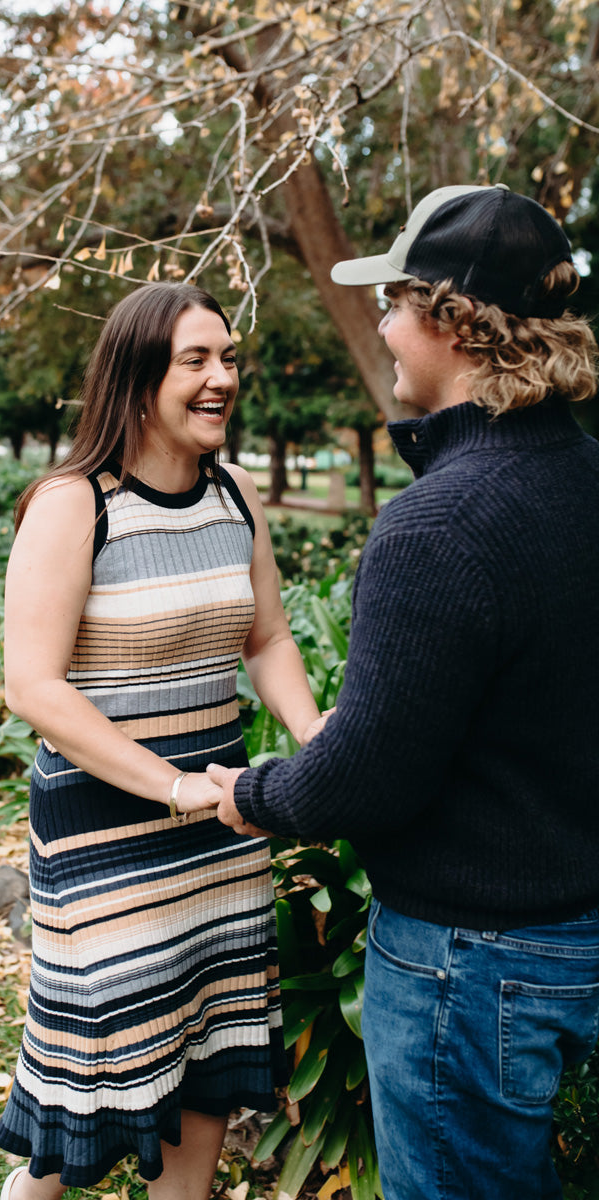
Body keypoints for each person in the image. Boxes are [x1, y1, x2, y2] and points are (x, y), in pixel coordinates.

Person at [207, 184, 599, 1199]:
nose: (380, 325)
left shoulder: (438, 527)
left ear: (448, 320)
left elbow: (365, 784)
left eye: (392, 301)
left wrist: (251, 794)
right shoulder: (581, 478)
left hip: (464, 966)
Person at [0, 281, 321, 1200]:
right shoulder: (72, 504)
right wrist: (172, 787)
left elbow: (267, 637)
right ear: (138, 380)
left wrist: (310, 728)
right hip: (106, 837)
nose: (223, 377)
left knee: (210, 1062)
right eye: (196, 361)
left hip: (222, 830)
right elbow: (33, 685)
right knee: (85, 1098)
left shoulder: (236, 494)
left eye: (228, 358)